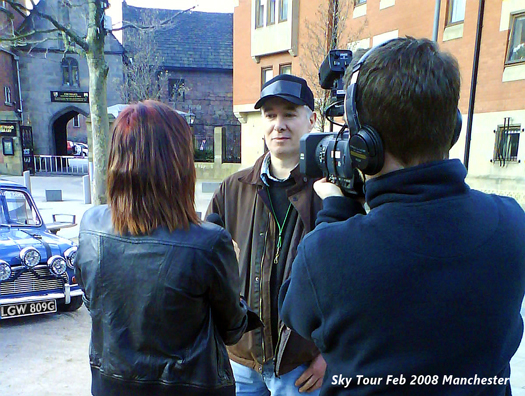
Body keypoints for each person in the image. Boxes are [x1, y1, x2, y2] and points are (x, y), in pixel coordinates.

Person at [279, 37, 525, 395]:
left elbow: (296, 313)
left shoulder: (330, 252)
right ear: (452, 128)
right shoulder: (513, 223)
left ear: (366, 146)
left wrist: (335, 213)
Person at [75, 100, 251, 396]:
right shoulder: (209, 242)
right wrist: (232, 271)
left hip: (112, 385)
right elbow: (232, 329)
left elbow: (94, 302)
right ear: (178, 163)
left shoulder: (91, 225)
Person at [206, 74, 362, 395]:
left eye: (290, 113)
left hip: (303, 367)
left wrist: (328, 357)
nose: (279, 124)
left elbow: (355, 284)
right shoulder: (233, 189)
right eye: (270, 115)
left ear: (311, 119)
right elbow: (206, 267)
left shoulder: (334, 193)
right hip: (242, 361)